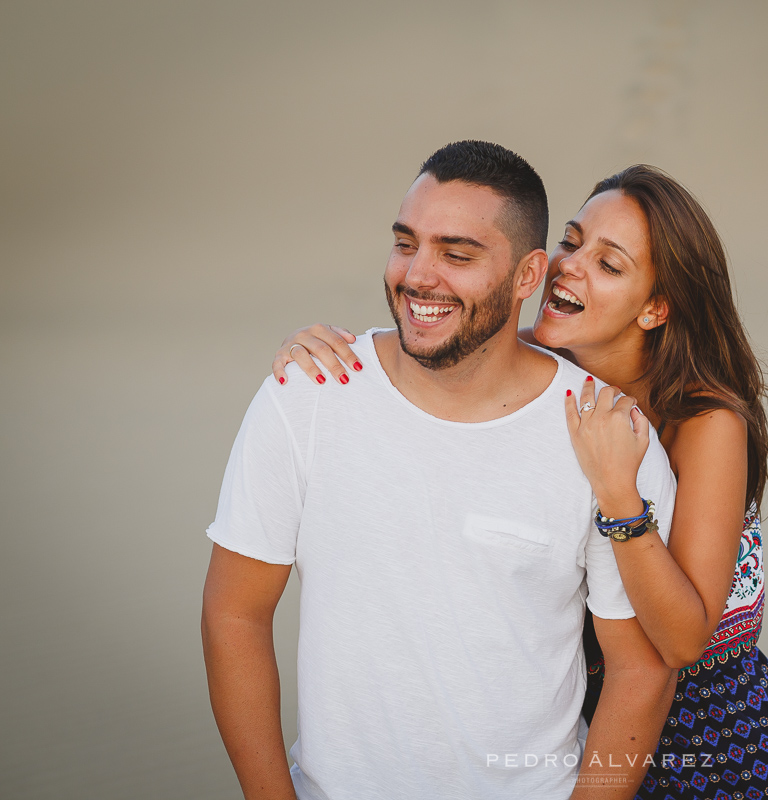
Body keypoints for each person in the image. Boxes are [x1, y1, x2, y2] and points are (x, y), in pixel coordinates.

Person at [276, 165, 768, 799]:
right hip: (583, 754)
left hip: (730, 758)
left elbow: (684, 639)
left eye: (609, 265)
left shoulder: (704, 419)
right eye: (571, 241)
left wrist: (620, 496)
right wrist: (330, 350)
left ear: (656, 308)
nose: (569, 267)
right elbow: (438, 340)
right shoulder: (538, 369)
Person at [201, 141, 681, 800]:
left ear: (527, 275)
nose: (418, 276)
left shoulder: (606, 438)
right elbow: (234, 615)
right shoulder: (306, 394)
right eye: (406, 244)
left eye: (457, 255)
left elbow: (642, 669)